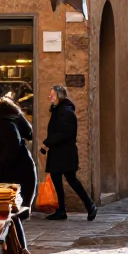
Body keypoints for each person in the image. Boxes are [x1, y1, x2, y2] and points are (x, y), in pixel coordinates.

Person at [41, 85, 97, 222]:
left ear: (59, 96)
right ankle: (61, 210)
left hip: (65, 153)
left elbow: (66, 133)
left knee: (71, 179)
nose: (50, 97)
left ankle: (89, 205)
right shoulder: (58, 110)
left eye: (52, 95)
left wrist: (48, 142)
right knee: (56, 179)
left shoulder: (66, 112)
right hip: (57, 152)